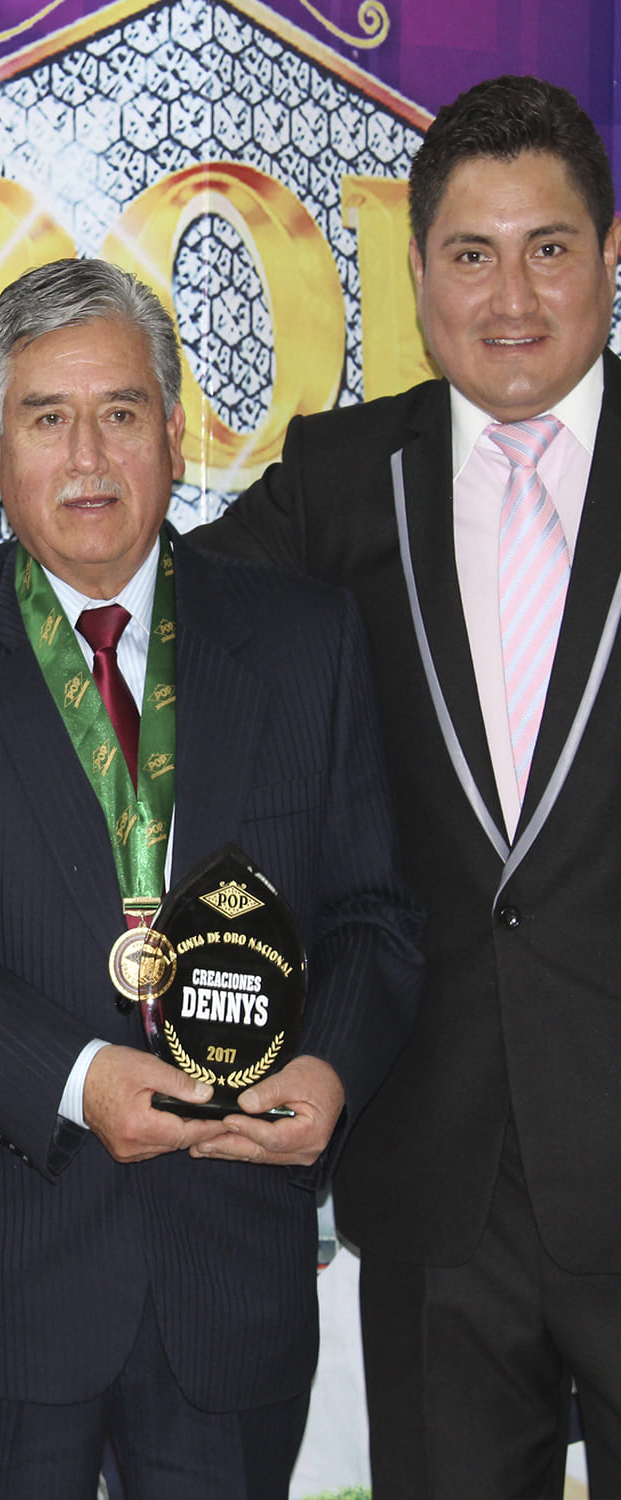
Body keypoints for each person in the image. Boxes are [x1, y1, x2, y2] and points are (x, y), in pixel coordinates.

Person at [0, 257, 423, 1500]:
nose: (87, 456)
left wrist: (328, 1069)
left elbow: (375, 918)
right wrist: (73, 1077)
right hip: (5, 1283)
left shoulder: (305, 636)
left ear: (172, 430)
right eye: (46, 418)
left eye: (119, 412)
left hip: (231, 1275)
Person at [198, 74, 621, 1500]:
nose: (512, 297)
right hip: (438, 1182)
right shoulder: (341, 478)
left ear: (608, 255)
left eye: (548, 248)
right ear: (420, 271)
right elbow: (148, 613)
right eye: (471, 254)